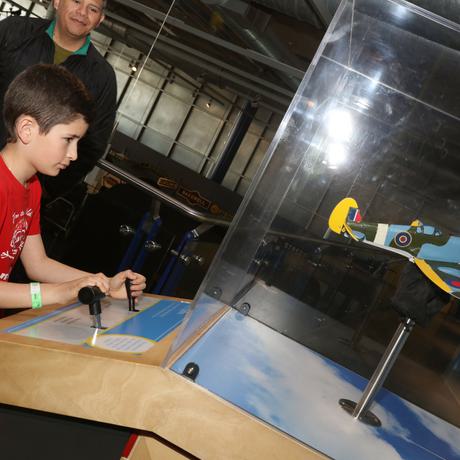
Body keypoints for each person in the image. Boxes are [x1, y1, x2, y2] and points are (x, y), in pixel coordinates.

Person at [0, 64, 144, 310]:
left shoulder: (31, 186)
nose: (74, 154)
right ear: (27, 129)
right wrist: (58, 293)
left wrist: (104, 284)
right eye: (68, 139)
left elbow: (38, 264)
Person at [0, 0, 116, 201]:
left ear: (100, 19)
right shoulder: (14, 31)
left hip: (24, 190)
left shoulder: (102, 77)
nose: (82, 13)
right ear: (57, 2)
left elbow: (93, 144)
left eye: (93, 9)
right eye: (77, 1)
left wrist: (46, 191)